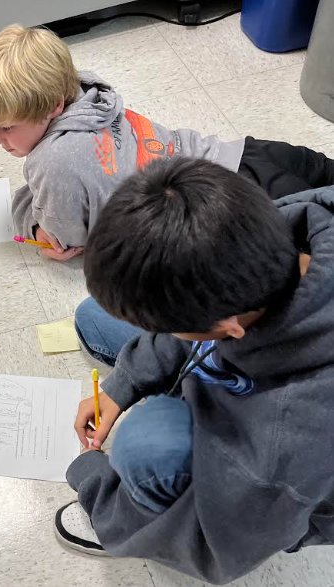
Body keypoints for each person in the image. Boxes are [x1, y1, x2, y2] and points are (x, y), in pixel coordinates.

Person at [53, 157, 334, 584]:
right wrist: (121, 385)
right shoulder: (281, 226)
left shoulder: (284, 441)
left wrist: (94, 480)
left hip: (291, 490)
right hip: (264, 356)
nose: (157, 332)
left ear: (230, 329)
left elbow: (215, 551)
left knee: (148, 445)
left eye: (170, 327)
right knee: (97, 317)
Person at [0, 24, 334, 262]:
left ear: (53, 106)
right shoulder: (88, 91)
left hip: (233, 212)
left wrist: (28, 219)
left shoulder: (51, 162)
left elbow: (64, 239)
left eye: (6, 127)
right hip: (249, 155)